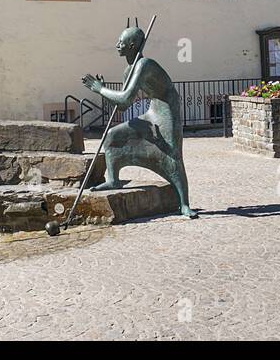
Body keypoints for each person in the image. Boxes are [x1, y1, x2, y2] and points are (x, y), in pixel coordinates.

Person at [82, 25, 196, 218]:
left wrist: (100, 89)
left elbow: (125, 99)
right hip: (152, 113)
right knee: (111, 136)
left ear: (132, 45)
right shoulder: (129, 70)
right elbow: (123, 105)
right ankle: (113, 180)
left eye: (121, 42)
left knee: (173, 155)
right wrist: (105, 89)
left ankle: (184, 204)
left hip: (167, 114)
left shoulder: (145, 65)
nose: (117, 45)